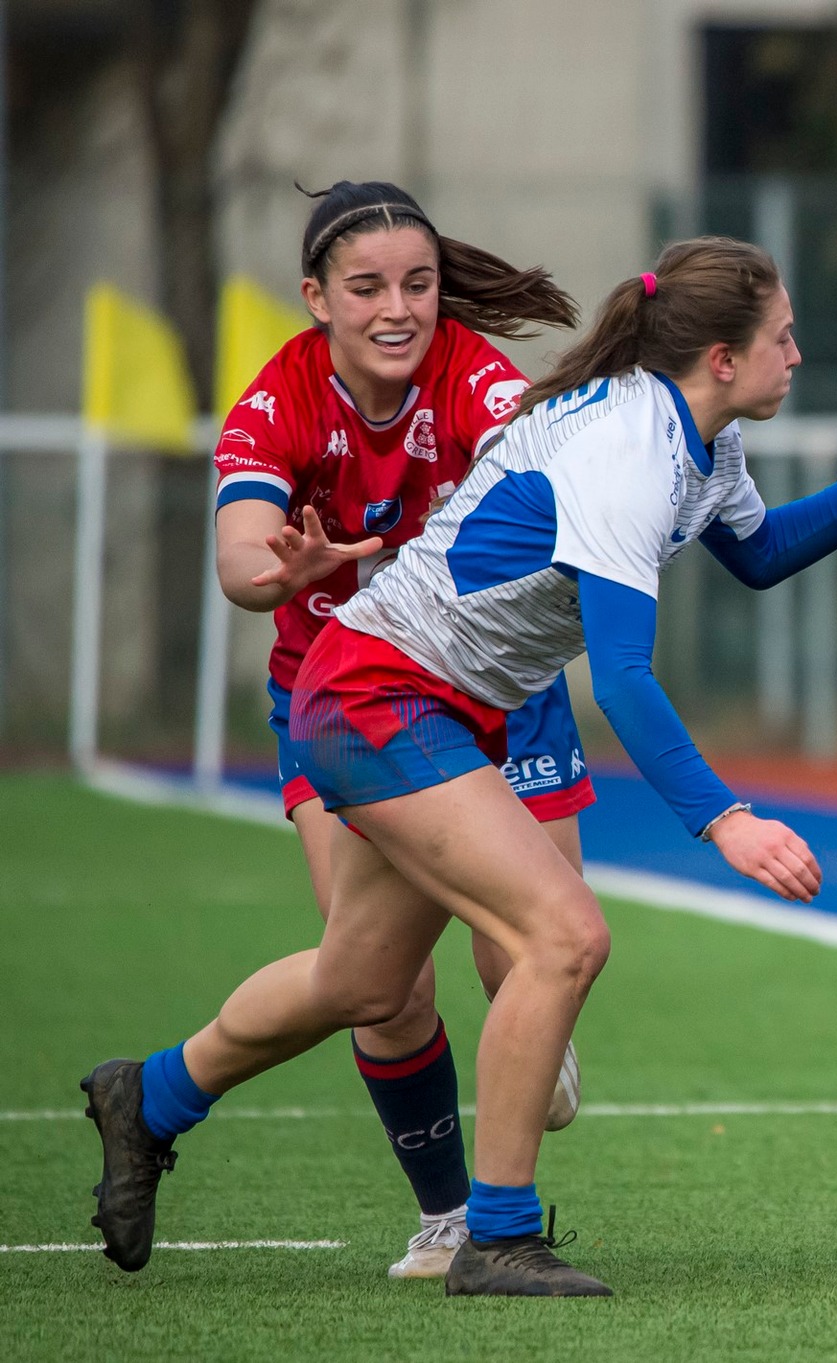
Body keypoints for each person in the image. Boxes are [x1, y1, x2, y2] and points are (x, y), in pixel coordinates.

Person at [83, 237, 837, 1296]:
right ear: (721, 357)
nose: (797, 355)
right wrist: (726, 820)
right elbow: (621, 679)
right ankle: (497, 1235)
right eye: (783, 336)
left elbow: (759, 556)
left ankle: (147, 1096)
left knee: (360, 979)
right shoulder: (631, 449)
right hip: (376, 696)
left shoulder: (696, 440)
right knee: (564, 934)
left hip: (416, 699)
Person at [211, 181, 590, 1277]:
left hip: (495, 675)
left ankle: (535, 1031)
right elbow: (241, 558)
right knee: (377, 978)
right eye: (367, 286)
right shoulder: (276, 401)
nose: (398, 308)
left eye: (417, 285)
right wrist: (276, 568)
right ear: (315, 298)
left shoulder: (473, 376)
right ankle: (447, 1218)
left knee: (534, 936)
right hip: (341, 699)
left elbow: (545, 478)